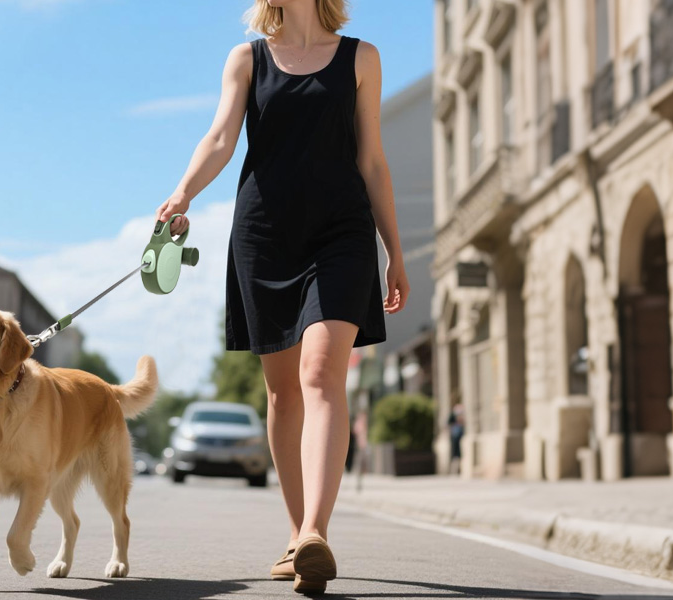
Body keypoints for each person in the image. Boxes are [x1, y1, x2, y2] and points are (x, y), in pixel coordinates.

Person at [153, 0, 407, 593]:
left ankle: (315, 531)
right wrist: (182, 194)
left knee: (322, 372)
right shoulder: (246, 59)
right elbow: (220, 137)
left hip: (341, 232)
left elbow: (372, 160)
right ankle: (297, 535)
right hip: (264, 234)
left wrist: (395, 249)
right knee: (281, 392)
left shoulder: (360, 58)